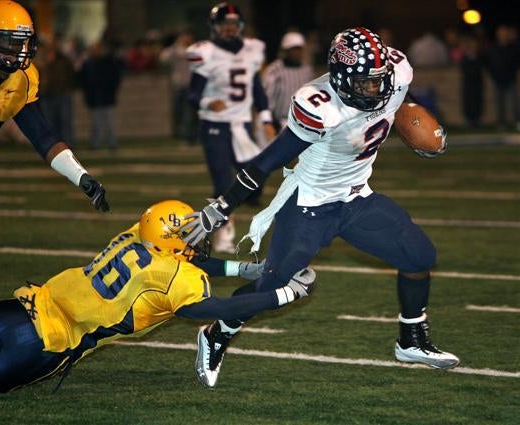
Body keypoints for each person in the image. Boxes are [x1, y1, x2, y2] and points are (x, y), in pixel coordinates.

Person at [183, 27, 459, 388]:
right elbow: (265, 162)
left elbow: (398, 102)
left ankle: (411, 339)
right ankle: (217, 333)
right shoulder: (318, 106)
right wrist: (221, 207)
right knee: (274, 285)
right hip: (309, 204)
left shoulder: (398, 73)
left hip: (357, 197)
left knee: (419, 257)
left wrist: (412, 121)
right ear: (342, 79)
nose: (376, 90)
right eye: (365, 84)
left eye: (379, 81)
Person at [0, 200, 315, 398]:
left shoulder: (139, 232)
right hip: (47, 344)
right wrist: (284, 294)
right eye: (186, 233)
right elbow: (224, 309)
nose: (194, 237)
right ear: (171, 241)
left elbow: (182, 254)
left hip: (23, 308)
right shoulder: (175, 279)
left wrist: (241, 270)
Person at [0, 1, 109, 303]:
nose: (18, 51)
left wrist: (81, 177)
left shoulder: (21, 81)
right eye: (10, 42)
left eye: (23, 43)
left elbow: (43, 136)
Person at [186, 2, 277, 254]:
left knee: (256, 180)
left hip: (242, 126)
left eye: (233, 25)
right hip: (215, 126)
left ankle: (223, 216)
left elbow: (257, 89)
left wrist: (267, 118)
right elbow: (192, 94)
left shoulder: (252, 50)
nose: (228, 30)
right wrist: (206, 102)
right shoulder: (206, 53)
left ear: (240, 27)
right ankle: (222, 233)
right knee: (222, 182)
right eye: (223, 25)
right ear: (214, 27)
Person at [78, 40, 124, 150]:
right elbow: (83, 80)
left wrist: (112, 90)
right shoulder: (88, 63)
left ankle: (112, 143)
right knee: (95, 124)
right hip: (95, 98)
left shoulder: (108, 62)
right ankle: (96, 144)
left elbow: (115, 78)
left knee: (109, 123)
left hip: (106, 97)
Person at [263, 31, 314, 130]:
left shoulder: (307, 70)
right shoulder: (274, 70)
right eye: (293, 49)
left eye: (299, 49)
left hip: (302, 123)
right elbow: (267, 97)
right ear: (285, 50)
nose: (296, 53)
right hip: (278, 121)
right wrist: (269, 120)